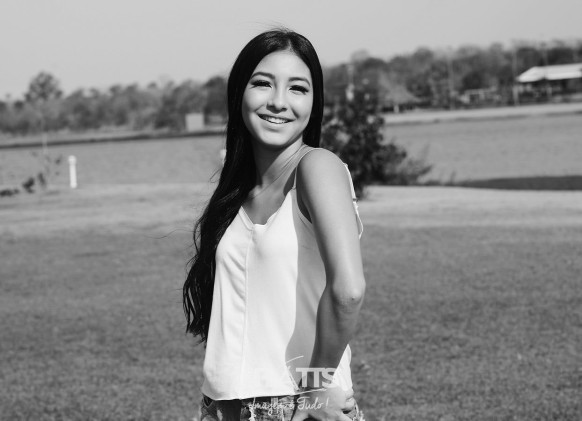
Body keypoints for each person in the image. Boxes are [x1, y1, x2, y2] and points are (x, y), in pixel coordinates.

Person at [183, 28, 366, 421]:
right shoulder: (236, 192)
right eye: (263, 83)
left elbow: (348, 291)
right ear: (239, 92)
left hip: (295, 404)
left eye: (297, 88)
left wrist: (316, 388)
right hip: (223, 405)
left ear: (314, 102)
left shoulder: (317, 167)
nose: (279, 102)